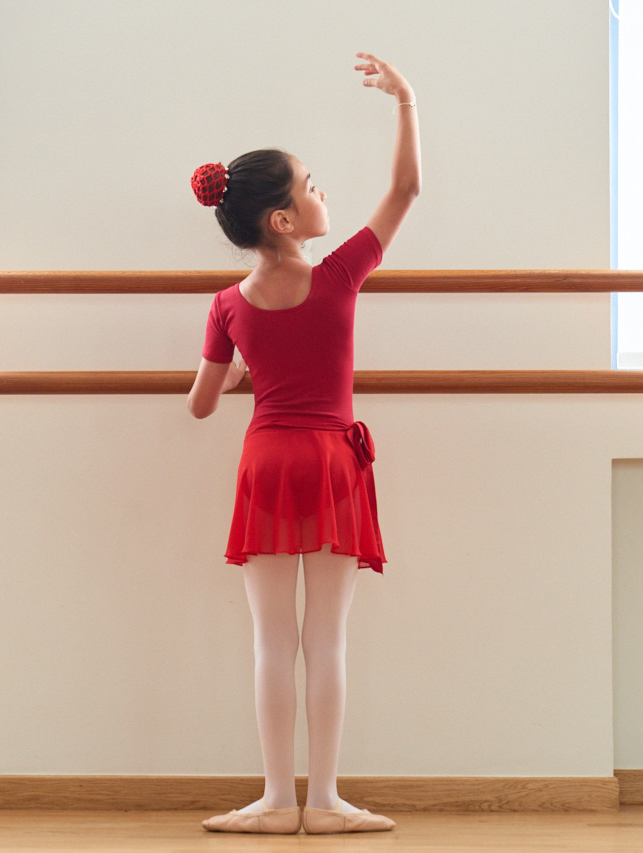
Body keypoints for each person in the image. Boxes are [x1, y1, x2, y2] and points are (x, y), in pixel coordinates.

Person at [187, 52, 419, 836]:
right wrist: (405, 100)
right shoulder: (340, 275)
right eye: (312, 186)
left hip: (267, 461)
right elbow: (405, 191)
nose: (324, 193)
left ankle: (274, 800)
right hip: (331, 461)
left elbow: (201, 404)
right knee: (327, 639)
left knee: (271, 641)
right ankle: (323, 800)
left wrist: (255, 368)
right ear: (282, 220)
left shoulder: (227, 303)